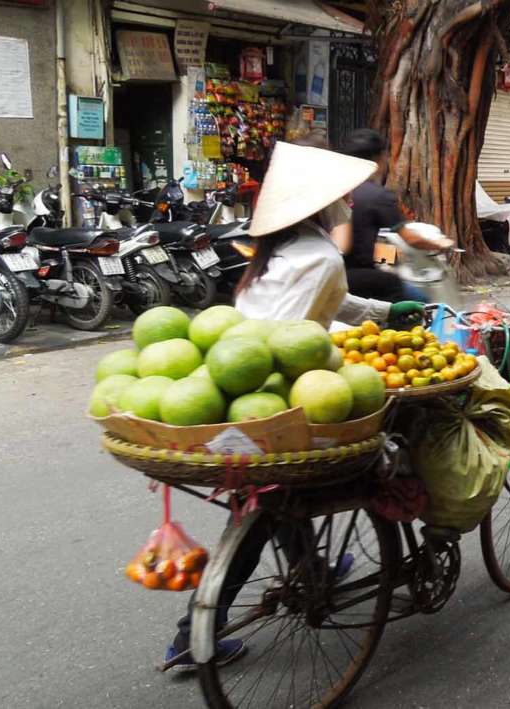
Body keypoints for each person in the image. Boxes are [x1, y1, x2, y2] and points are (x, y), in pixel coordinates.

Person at [163, 142, 425, 670]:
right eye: (341, 198)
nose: (348, 204)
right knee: (280, 500)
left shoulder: (278, 250)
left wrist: (382, 312)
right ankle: (193, 636)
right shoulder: (323, 254)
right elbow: (306, 333)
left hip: (238, 384)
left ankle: (313, 570)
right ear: (322, 204)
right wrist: (382, 328)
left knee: (280, 496)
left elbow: (335, 303)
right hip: (281, 394)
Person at [337, 129, 454, 303]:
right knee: (420, 302)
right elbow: (411, 239)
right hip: (355, 275)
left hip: (332, 272)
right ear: (378, 158)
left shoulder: (335, 189)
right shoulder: (378, 196)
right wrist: (441, 243)